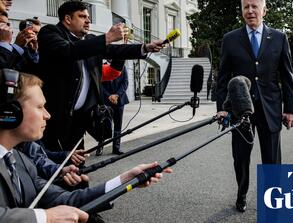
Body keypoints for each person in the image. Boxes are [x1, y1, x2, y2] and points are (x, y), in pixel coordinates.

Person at [0, 70, 171, 222]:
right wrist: (46, 217)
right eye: (40, 107)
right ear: (9, 112)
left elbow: (67, 200)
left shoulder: (21, 161)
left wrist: (124, 180)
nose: (47, 115)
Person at [37, 1, 163, 152]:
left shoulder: (89, 40)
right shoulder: (49, 33)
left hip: (80, 119)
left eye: (88, 17)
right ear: (68, 19)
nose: (88, 21)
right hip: (54, 116)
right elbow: (68, 51)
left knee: (77, 164)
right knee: (55, 163)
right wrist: (107, 37)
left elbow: (115, 51)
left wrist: (145, 47)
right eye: (82, 16)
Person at [216, 0, 293, 212]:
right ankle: (241, 194)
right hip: (239, 109)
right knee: (241, 157)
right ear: (241, 10)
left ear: (264, 10)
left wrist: (290, 109)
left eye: (254, 6)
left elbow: (287, 76)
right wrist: (221, 108)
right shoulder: (230, 39)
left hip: (270, 108)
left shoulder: (279, 38)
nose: (250, 11)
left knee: (272, 158)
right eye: (246, 7)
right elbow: (223, 78)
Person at [101, 66, 129, 155]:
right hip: (106, 100)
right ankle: (100, 147)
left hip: (119, 100)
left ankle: (116, 148)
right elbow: (98, 84)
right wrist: (108, 96)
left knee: (118, 124)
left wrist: (116, 95)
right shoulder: (101, 66)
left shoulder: (122, 67)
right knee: (104, 124)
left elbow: (125, 83)